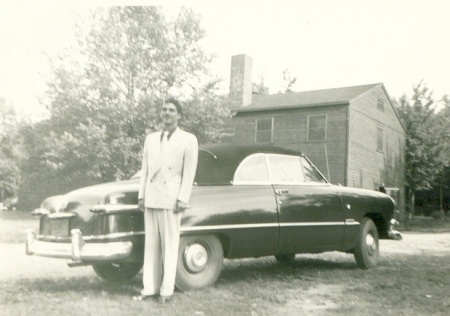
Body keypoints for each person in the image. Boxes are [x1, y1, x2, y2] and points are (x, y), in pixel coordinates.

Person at [134, 99, 198, 303]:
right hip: (152, 196)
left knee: (170, 245)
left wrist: (182, 198)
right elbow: (144, 170)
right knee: (151, 245)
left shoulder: (188, 139)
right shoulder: (151, 139)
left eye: (171, 110)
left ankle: (166, 291)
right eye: (164, 110)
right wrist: (141, 195)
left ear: (179, 115)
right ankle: (149, 288)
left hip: (171, 198)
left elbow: (189, 173)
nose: (167, 113)